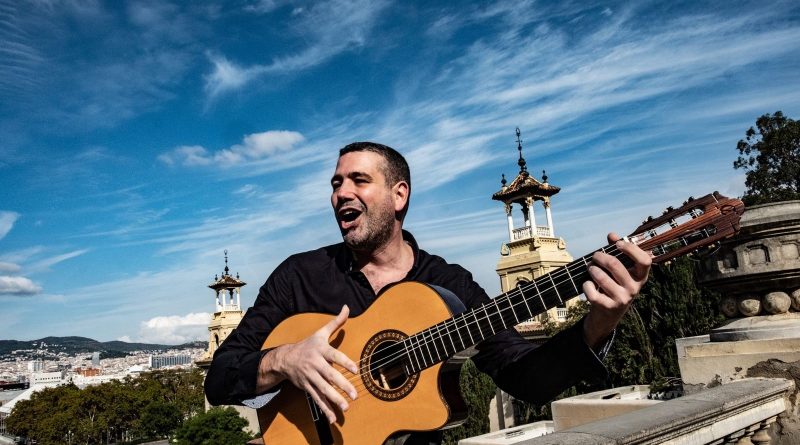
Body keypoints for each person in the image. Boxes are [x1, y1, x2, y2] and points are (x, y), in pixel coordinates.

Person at [205, 142, 651, 444]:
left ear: (399, 195)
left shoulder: (450, 284)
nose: (341, 192)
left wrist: (599, 324)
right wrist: (285, 360)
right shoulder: (298, 276)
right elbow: (221, 377)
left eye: (358, 181)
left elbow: (525, 378)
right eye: (335, 184)